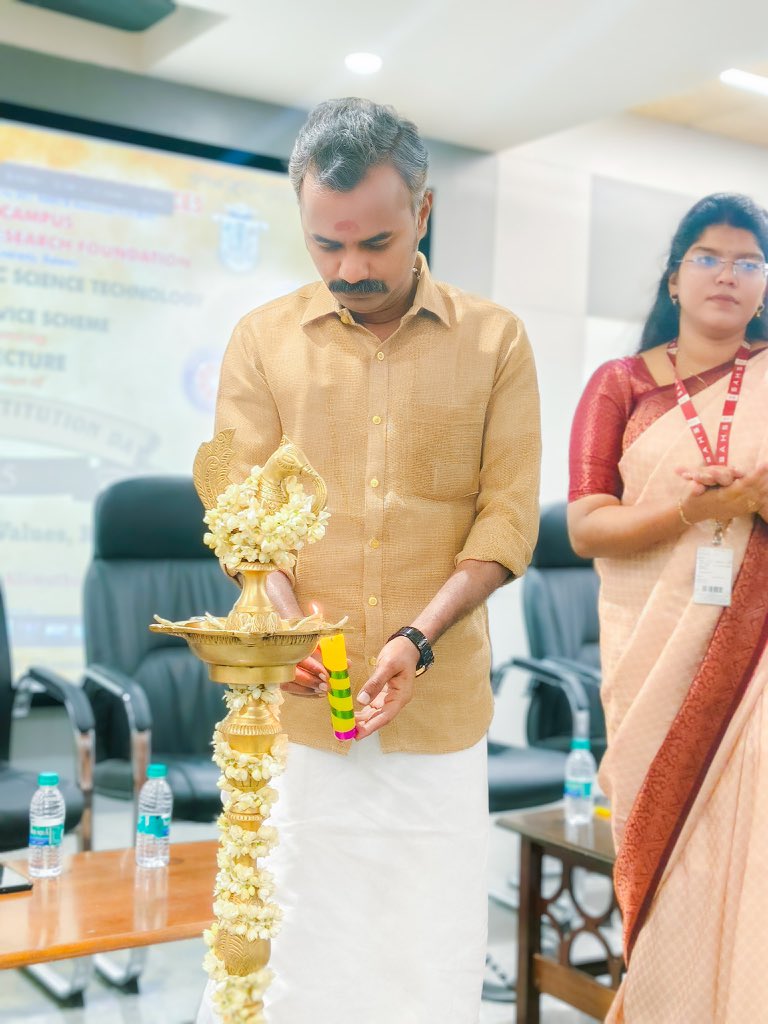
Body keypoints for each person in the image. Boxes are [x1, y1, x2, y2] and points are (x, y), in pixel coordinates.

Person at [197, 98, 541, 1024]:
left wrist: (418, 639)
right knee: (296, 936)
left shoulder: (497, 340)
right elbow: (243, 515)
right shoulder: (262, 342)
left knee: (423, 949)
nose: (350, 270)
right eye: (325, 246)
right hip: (302, 715)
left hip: (438, 711)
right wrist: (278, 613)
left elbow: (508, 520)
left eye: (375, 245)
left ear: (424, 211)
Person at [568, 192, 768, 1023]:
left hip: (757, 665)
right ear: (675, 278)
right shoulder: (619, 384)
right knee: (668, 854)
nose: (729, 274)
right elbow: (587, 525)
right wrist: (690, 511)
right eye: (709, 258)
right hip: (653, 650)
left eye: (748, 262)